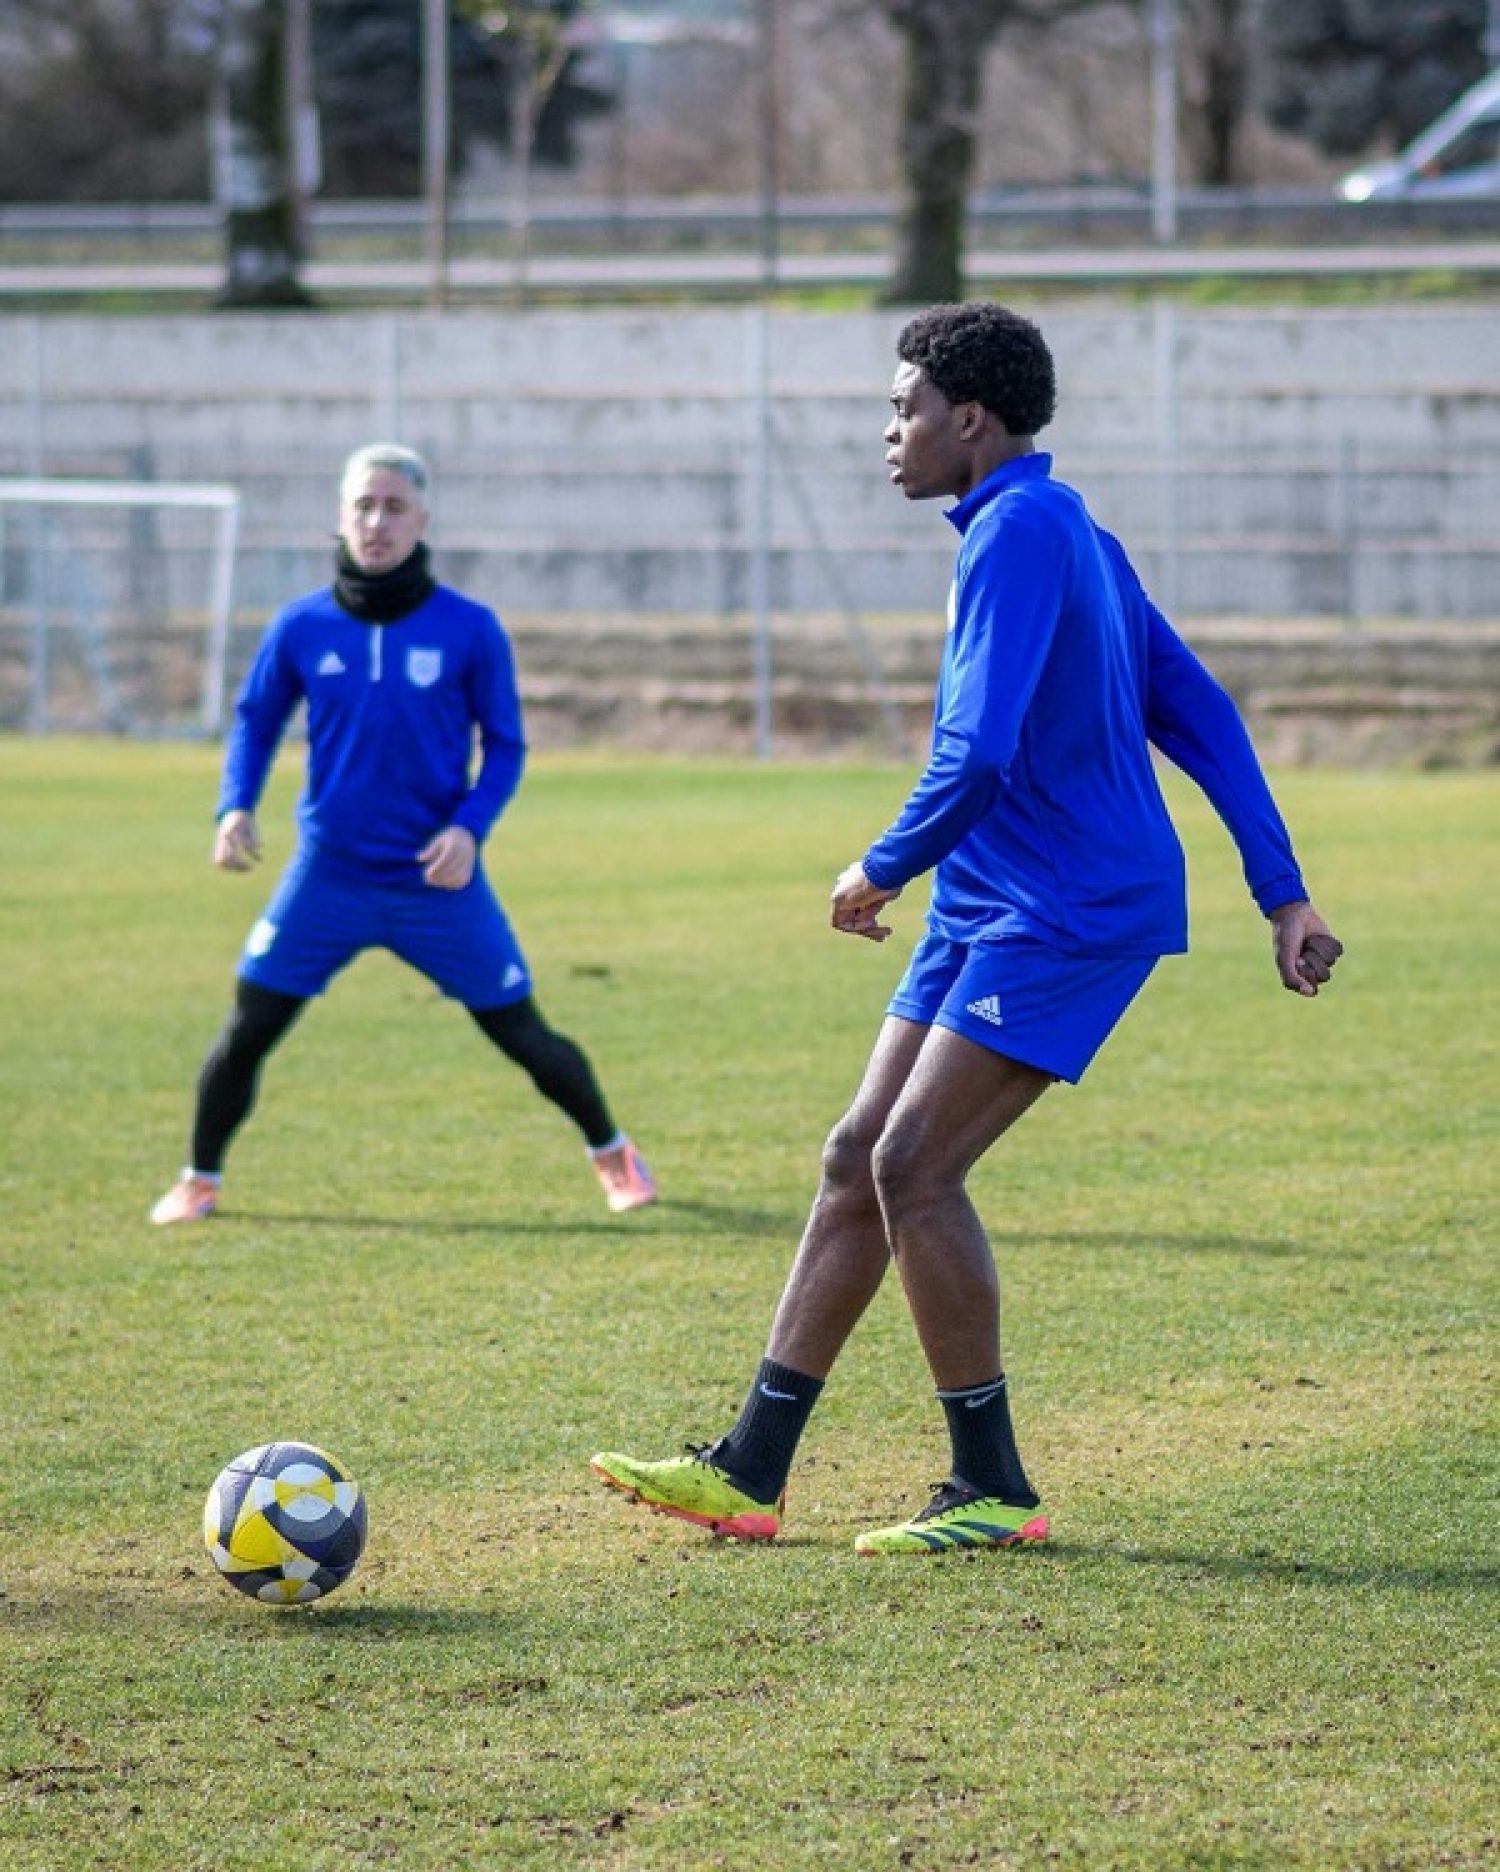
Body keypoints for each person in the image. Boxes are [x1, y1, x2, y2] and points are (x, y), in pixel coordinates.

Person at [591, 303, 1341, 1555]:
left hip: (1069, 906)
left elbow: (979, 751)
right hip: (995, 899)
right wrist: (1283, 892)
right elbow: (1200, 708)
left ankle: (990, 1489)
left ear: (972, 420)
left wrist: (880, 866)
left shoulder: (1021, 532)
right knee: (857, 1156)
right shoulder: (1065, 526)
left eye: (905, 409)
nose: (889, 432)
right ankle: (751, 1469)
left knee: (914, 1168)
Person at [150, 442, 656, 1225]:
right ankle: (199, 1180)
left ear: (422, 521)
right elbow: (256, 722)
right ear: (341, 517)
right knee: (248, 1028)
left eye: (394, 508)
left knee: (522, 1034)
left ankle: (613, 1152)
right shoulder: (300, 626)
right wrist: (234, 807)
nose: (377, 522)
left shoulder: (470, 628)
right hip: (328, 877)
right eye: (363, 506)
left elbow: (506, 746)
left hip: (435, 881)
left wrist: (469, 830)